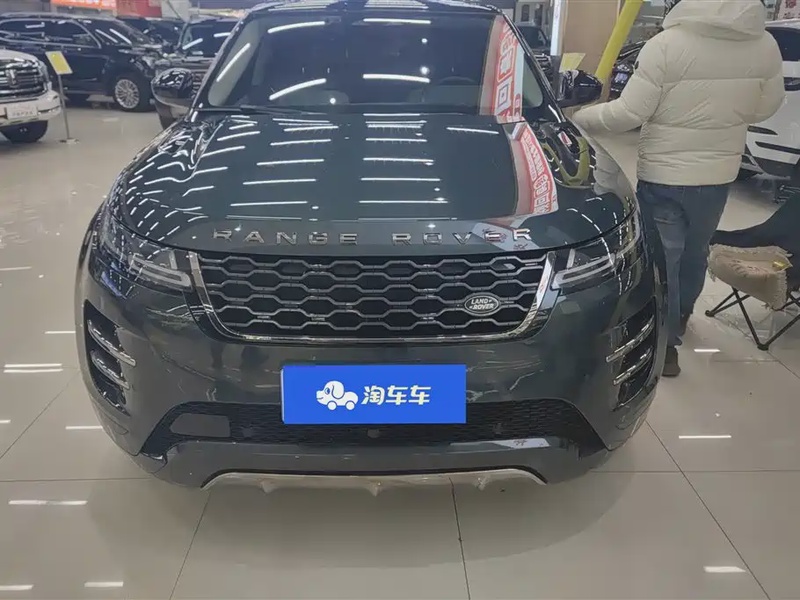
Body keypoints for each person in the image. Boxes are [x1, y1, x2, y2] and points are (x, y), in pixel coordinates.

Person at [573, 0, 785, 377]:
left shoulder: (668, 44)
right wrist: (725, 112)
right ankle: (681, 318)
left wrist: (580, 118)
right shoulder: (764, 44)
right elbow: (766, 106)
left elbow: (628, 114)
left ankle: (665, 344)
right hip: (718, 173)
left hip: (665, 174)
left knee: (663, 260)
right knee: (694, 253)